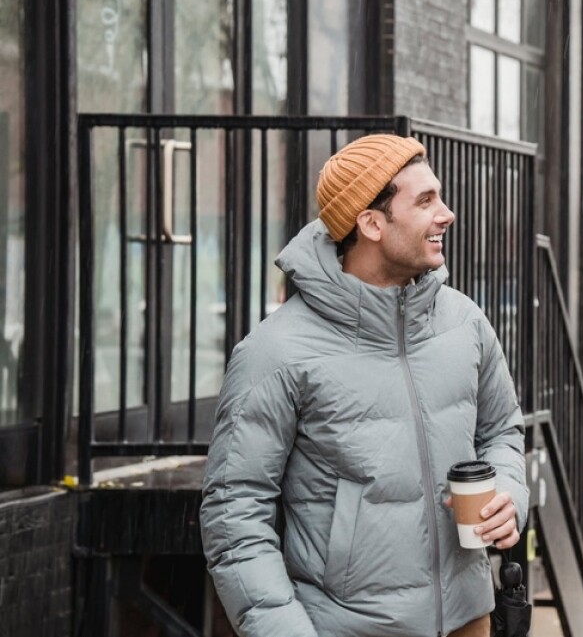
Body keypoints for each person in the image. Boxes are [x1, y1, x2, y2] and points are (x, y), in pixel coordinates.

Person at [200, 134, 528, 637]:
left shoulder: (465, 322)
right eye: (425, 201)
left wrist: (508, 491)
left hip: (469, 619)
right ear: (371, 223)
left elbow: (502, 431)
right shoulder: (277, 352)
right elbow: (234, 513)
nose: (447, 214)